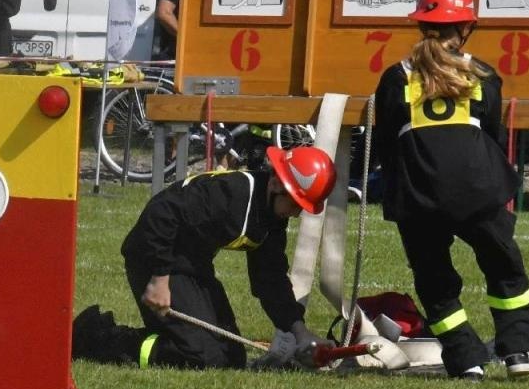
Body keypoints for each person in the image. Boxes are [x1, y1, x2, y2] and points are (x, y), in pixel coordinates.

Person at [371, 0, 529, 380]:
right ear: (466, 29)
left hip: (419, 194)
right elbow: (495, 137)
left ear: (422, 25)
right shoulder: (482, 75)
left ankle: (467, 361)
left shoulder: (396, 77)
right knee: (504, 268)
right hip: (478, 191)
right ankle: (518, 354)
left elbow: (385, 145)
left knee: (435, 281)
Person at [72, 145, 337, 370]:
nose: (294, 214)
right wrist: (159, 278)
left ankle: (167, 336)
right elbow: (162, 212)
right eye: (294, 205)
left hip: (193, 267)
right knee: (202, 356)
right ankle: (98, 337)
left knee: (231, 356)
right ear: (277, 183)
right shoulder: (229, 195)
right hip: (153, 258)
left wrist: (299, 332)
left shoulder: (269, 218)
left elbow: (270, 278)